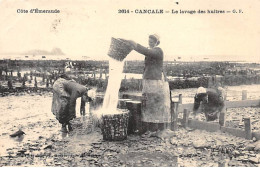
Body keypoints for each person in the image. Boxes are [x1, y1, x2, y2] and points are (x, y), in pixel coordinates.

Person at [128, 34, 171, 132]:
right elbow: (146, 66)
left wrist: (135, 45)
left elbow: (146, 51)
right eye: (149, 41)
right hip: (148, 80)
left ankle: (158, 128)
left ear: (157, 42)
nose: (150, 43)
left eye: (152, 41)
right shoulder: (151, 52)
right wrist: (143, 79)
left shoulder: (158, 51)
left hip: (156, 81)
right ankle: (149, 128)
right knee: (147, 103)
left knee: (156, 103)